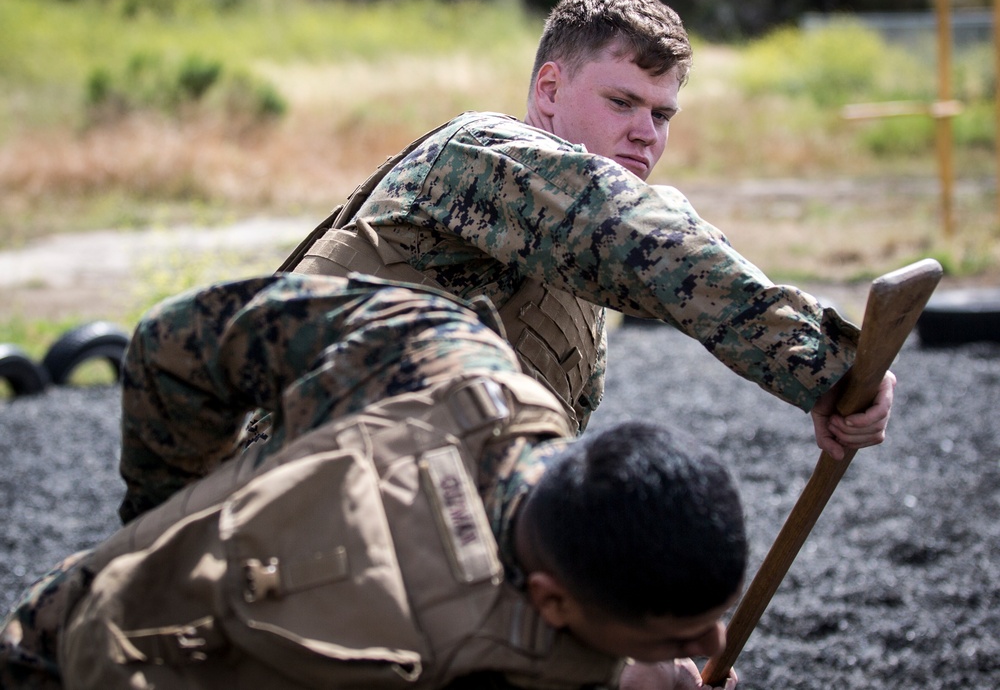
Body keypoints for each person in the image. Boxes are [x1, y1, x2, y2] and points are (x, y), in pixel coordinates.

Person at [264, 0, 892, 490]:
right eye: (623, 103)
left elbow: (524, 468)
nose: (647, 132)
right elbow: (648, 239)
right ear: (550, 89)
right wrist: (826, 366)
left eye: (662, 114)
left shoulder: (572, 268)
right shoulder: (483, 154)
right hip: (291, 514)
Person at [1, 272, 744, 690]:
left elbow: (172, 343)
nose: (714, 644)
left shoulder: (442, 352)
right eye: (678, 634)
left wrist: (167, 527)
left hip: (56, 621)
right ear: (552, 602)